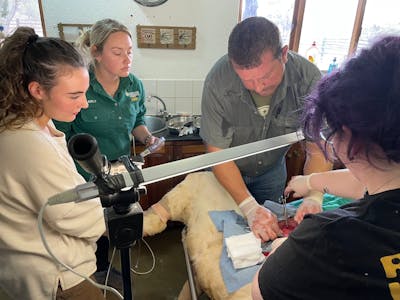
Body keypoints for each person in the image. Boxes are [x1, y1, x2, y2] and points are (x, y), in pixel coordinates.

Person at [252, 35, 400, 300]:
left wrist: (284, 249)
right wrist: (310, 182)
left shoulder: (327, 238)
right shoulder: (387, 171)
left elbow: (261, 291)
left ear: (350, 137)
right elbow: (373, 182)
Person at [200, 16, 331, 242]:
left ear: (284, 54)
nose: (259, 87)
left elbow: (318, 147)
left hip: (271, 172)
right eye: (247, 81)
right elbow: (218, 153)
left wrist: (315, 195)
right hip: (227, 172)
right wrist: (249, 207)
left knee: (269, 238)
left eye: (266, 76)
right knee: (222, 238)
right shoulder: (218, 81)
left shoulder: (308, 79)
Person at [54, 19, 162, 287]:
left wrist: (148, 138)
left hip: (120, 172)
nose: (127, 59)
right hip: (85, 176)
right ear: (96, 53)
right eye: (118, 52)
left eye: (130, 51)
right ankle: (96, 275)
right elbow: (59, 137)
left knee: (119, 227)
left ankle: (116, 271)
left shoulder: (133, 85)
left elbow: (136, 122)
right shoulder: (81, 86)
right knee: (91, 231)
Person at [0, 27, 106, 299]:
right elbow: (73, 215)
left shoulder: (32, 126)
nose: (83, 103)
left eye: (84, 93)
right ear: (36, 89)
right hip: (58, 277)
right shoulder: (28, 143)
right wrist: (104, 212)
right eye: (74, 95)